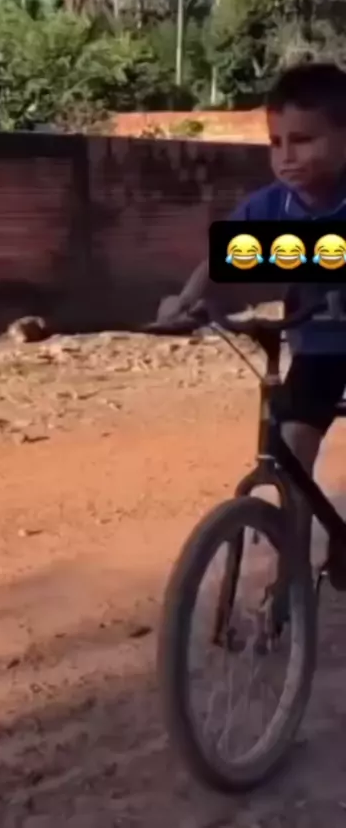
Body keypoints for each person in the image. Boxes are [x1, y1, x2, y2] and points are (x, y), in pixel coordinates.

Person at [165, 61, 346, 588]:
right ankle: (291, 576)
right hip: (319, 347)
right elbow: (222, 261)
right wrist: (185, 302)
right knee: (292, 449)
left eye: (304, 140)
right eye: (276, 142)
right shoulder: (271, 206)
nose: (286, 156)